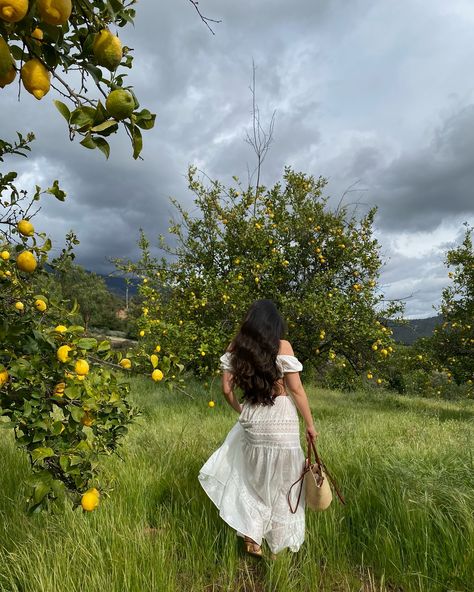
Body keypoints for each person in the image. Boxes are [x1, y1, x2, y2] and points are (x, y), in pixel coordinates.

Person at [198, 299, 318, 558]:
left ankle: (253, 537)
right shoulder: (282, 346)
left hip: (254, 415)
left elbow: (226, 389)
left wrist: (242, 412)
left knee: (252, 477)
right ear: (275, 324)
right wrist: (309, 424)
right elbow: (296, 389)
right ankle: (277, 545)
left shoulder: (236, 348)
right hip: (282, 418)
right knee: (285, 480)